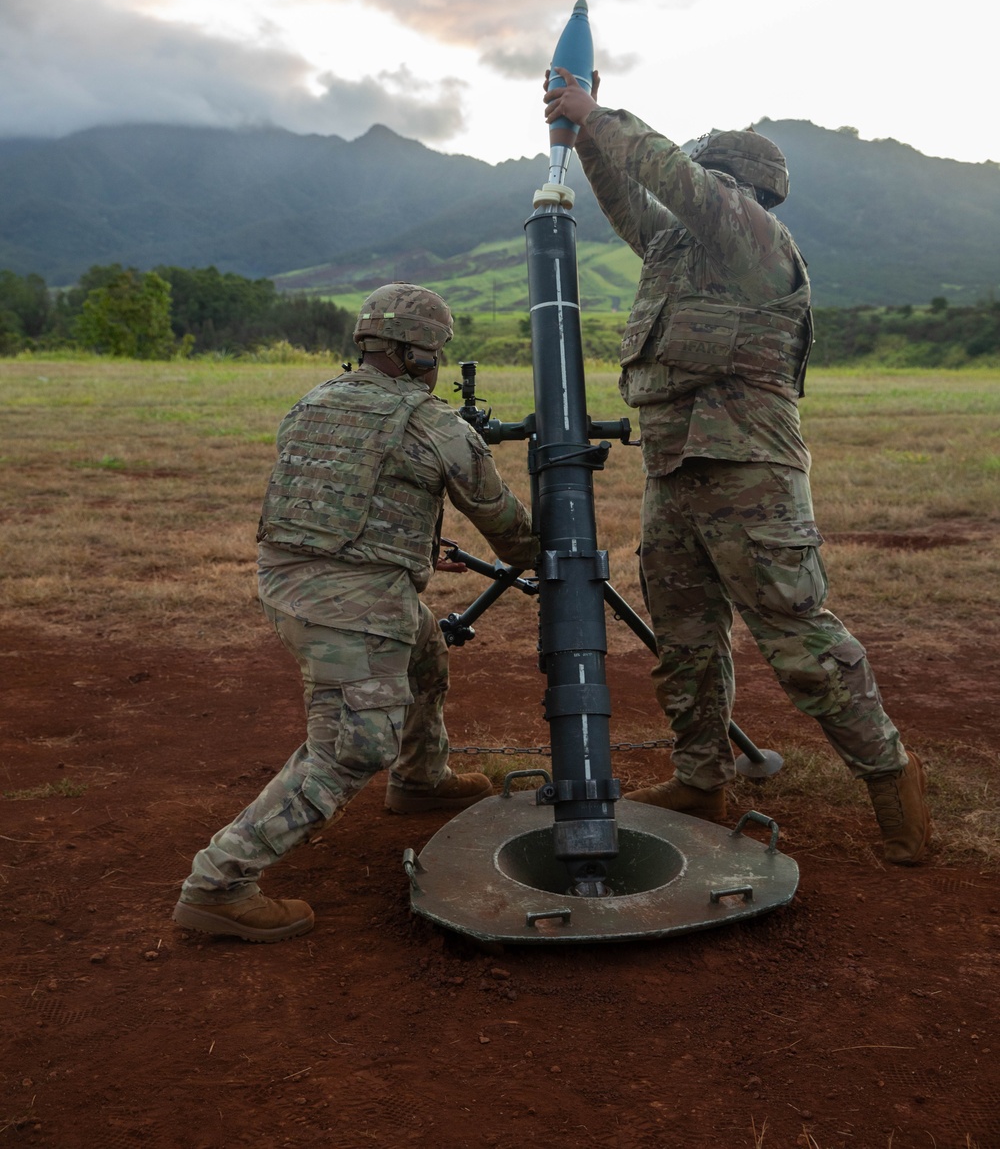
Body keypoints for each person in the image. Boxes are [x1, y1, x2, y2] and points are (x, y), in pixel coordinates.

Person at [543, 70, 932, 865]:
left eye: (710, 176)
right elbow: (627, 196)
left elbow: (679, 184)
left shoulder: (751, 236)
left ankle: (894, 783)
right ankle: (700, 777)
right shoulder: (678, 247)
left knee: (800, 644)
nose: (698, 188)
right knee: (685, 641)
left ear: (738, 186)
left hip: (749, 474)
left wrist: (599, 113)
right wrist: (587, 138)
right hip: (674, 471)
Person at [173, 283, 538, 941]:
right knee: (352, 745)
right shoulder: (434, 424)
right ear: (419, 354)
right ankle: (219, 883)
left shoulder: (314, 402)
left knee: (424, 649)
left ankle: (421, 779)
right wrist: (557, 541)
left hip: (290, 585)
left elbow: (341, 500)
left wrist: (417, 549)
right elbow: (510, 531)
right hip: (348, 609)